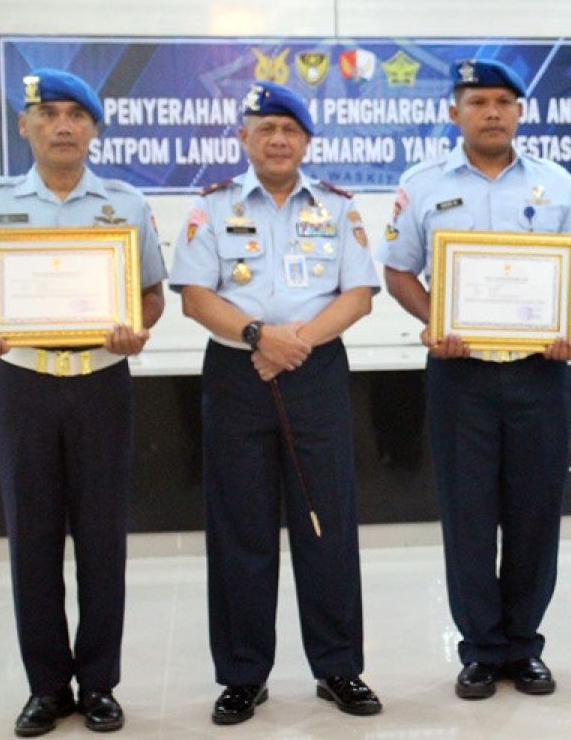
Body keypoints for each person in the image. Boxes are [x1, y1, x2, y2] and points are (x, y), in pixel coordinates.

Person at [0, 68, 167, 736]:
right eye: (48, 114)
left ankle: (99, 683)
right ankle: (47, 687)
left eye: (78, 114)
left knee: (103, 539)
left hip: (103, 380)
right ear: (25, 125)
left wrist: (139, 328)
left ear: (95, 130)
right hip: (21, 383)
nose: (63, 125)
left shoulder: (127, 205)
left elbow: (153, 293)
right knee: (33, 537)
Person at [378, 58, 571, 699]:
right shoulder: (420, 186)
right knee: (467, 513)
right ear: (454, 112)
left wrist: (565, 323)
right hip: (458, 374)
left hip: (539, 373)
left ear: (520, 112)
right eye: (478, 102)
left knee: (534, 514)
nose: (492, 112)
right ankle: (479, 648)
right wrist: (433, 319)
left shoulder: (557, 185)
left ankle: (523, 645)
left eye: (503, 101)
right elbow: (398, 274)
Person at [169, 81, 382, 722]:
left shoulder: (339, 208)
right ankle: (242, 675)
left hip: (314, 372)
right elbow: (195, 295)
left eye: (290, 130)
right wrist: (261, 336)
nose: (279, 139)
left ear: (307, 141)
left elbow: (359, 293)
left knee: (328, 524)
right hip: (237, 373)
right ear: (245, 138)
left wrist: (293, 344)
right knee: (241, 528)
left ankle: (339, 668)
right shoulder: (212, 206)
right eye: (266, 129)